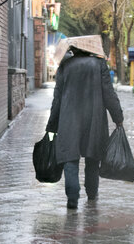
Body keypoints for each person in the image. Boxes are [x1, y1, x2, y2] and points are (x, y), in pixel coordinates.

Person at [45, 39, 124, 209]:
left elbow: (57, 99)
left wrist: (52, 125)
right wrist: (118, 117)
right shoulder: (99, 64)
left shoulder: (65, 66)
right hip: (94, 120)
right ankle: (92, 195)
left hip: (68, 119)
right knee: (92, 158)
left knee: (69, 159)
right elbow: (109, 94)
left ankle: (72, 198)